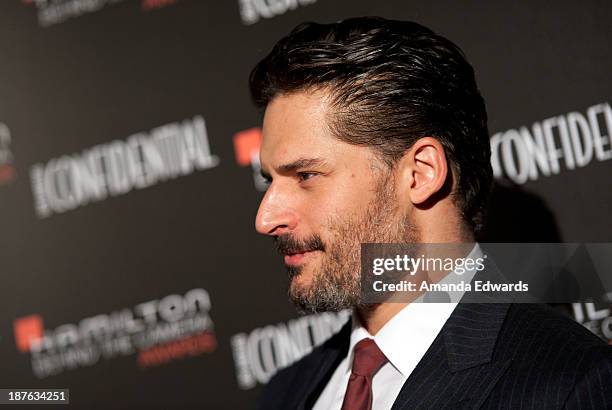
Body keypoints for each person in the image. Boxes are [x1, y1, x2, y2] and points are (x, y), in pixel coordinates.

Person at [249, 17, 612, 409]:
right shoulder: (285, 392)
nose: (265, 218)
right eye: (270, 180)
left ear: (421, 174)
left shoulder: (569, 386)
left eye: (305, 175)